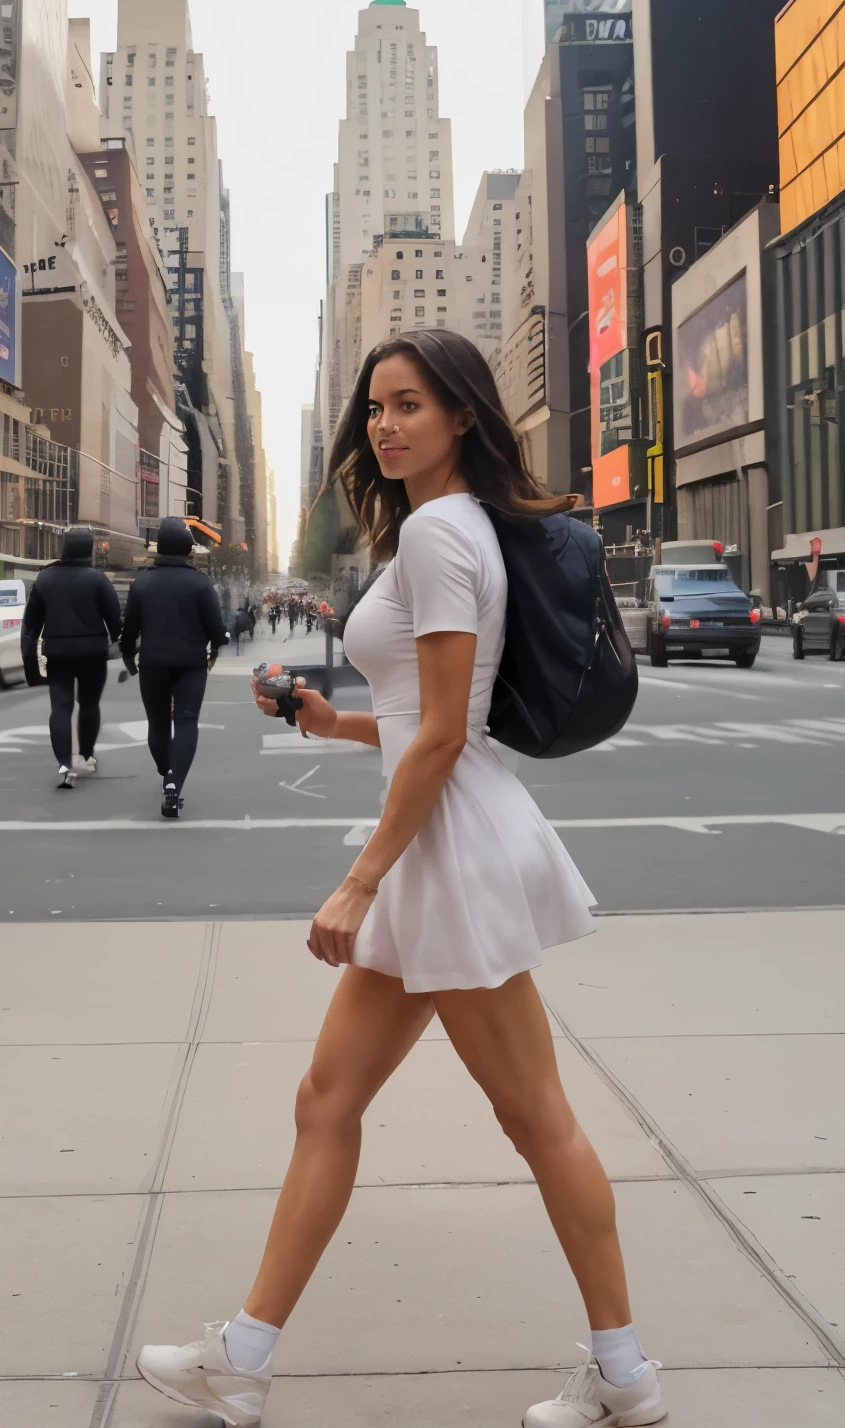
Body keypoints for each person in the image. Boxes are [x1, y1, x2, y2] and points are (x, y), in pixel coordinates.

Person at [136, 330, 662, 1428]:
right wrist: (333, 723)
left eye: (410, 403)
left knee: (537, 1121)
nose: (384, 423)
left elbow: (443, 743)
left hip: (444, 853)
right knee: (331, 1100)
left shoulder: (439, 531)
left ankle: (623, 1373)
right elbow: (439, 722)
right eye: (375, 405)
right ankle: (245, 1352)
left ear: (462, 416)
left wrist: (363, 882)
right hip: (450, 838)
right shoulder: (458, 528)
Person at [120, 516, 227, 819]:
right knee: (186, 720)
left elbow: (130, 629)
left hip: (152, 663)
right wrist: (216, 644)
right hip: (191, 664)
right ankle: (174, 785)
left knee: (157, 722)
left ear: (159, 548)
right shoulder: (200, 583)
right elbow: (216, 628)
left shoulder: (142, 582)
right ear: (188, 548)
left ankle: (165, 770)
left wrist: (129, 657)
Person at [20, 525, 122, 790]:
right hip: (92, 652)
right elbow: (115, 618)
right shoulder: (97, 579)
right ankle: (86, 756)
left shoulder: (45, 579)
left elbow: (31, 624)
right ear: (88, 549)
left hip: (58, 652)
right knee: (89, 705)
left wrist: (29, 658)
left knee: (61, 708)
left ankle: (65, 764)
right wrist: (121, 648)